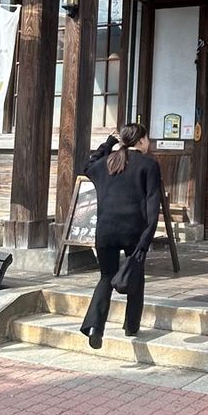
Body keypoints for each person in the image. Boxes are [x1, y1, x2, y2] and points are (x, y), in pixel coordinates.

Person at [79, 122, 162, 348]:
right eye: (148, 139)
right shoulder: (148, 165)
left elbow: (87, 166)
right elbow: (153, 205)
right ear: (142, 141)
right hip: (134, 230)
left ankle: (95, 327)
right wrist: (147, 238)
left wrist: (108, 143)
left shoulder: (107, 162)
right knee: (135, 274)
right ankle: (131, 326)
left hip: (105, 230)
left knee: (106, 277)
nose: (149, 143)